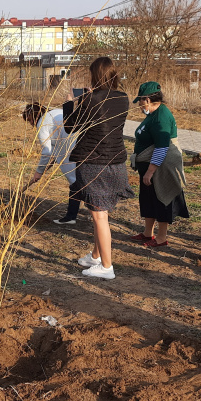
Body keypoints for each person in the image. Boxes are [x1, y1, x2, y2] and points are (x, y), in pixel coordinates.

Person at [63, 57, 132, 280]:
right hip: (117, 163)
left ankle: (106, 267)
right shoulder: (123, 98)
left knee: (99, 216)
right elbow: (105, 111)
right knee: (99, 215)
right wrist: (89, 97)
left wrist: (70, 103)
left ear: (95, 75)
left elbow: (70, 127)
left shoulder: (91, 100)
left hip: (94, 164)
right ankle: (95, 256)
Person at [128, 81, 189, 247]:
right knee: (148, 199)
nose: (139, 105)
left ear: (147, 100)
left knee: (161, 200)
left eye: (140, 101)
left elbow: (162, 147)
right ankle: (148, 233)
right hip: (148, 165)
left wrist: (150, 171)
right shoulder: (153, 115)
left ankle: (162, 238)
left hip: (159, 168)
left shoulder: (161, 117)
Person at [20, 102, 80, 224]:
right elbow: (53, 147)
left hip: (70, 149)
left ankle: (71, 217)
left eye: (30, 120)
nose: (30, 124)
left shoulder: (42, 123)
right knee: (80, 182)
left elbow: (47, 152)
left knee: (76, 184)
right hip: (81, 143)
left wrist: (39, 172)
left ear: (33, 116)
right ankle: (76, 214)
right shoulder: (55, 112)